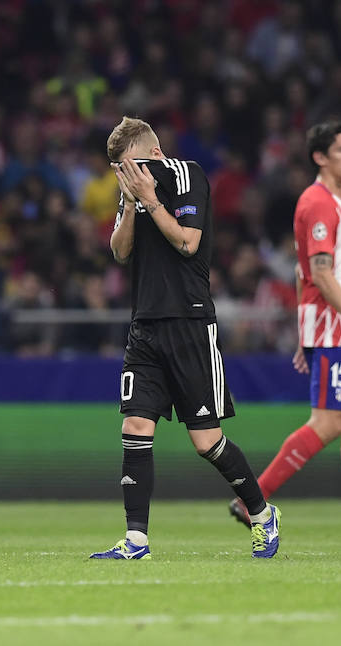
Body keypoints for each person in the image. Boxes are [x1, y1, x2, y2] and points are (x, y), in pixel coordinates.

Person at [89, 117, 280, 560]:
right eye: (117, 169)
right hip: (145, 326)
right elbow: (119, 252)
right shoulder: (129, 190)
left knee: (206, 441)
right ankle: (136, 540)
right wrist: (130, 200)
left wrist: (151, 199)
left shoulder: (186, 175)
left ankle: (262, 513)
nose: (124, 174)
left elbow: (188, 243)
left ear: (153, 154)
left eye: (128, 166)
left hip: (189, 323)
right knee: (134, 428)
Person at [229, 122, 341, 539]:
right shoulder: (318, 203)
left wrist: (305, 331)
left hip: (335, 332)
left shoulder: (333, 202)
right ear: (320, 157)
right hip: (337, 332)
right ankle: (253, 501)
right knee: (329, 423)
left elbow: (303, 272)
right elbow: (319, 273)